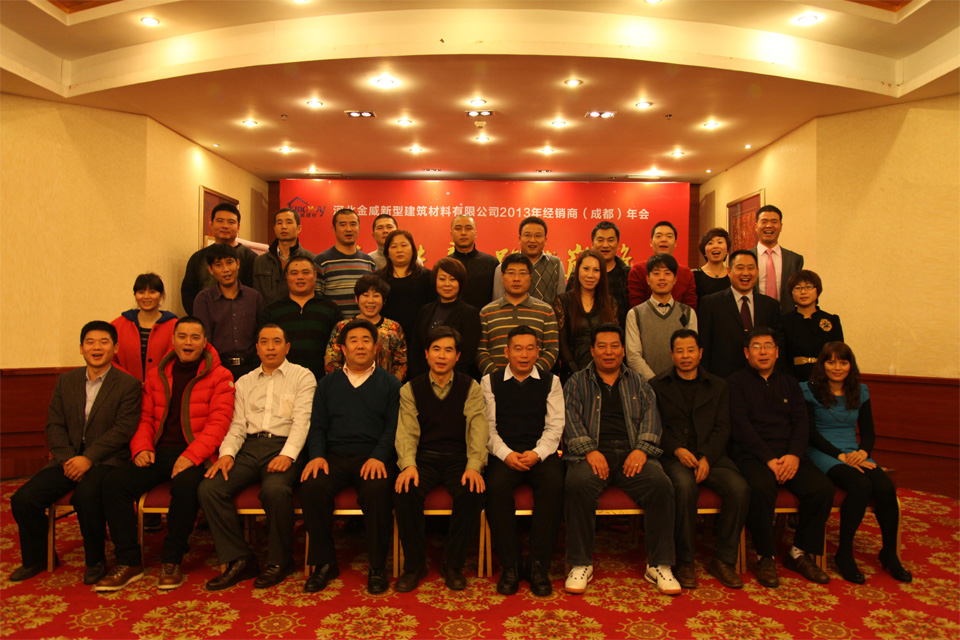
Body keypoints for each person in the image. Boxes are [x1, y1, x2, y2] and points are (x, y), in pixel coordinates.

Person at [96, 317, 235, 592]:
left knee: (185, 487)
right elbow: (144, 417)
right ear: (173, 341)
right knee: (114, 484)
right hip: (157, 451)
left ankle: (172, 559)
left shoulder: (221, 376)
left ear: (205, 342)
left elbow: (219, 423)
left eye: (194, 337)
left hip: (197, 453)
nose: (188, 343)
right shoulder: (156, 374)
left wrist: (191, 456)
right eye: (182, 336)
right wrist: (142, 447)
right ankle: (128, 560)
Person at [9, 322, 141, 584]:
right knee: (23, 499)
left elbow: (122, 430)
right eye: (90, 342)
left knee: (86, 497)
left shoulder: (129, 385)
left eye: (104, 342)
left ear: (115, 348)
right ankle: (38, 557)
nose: (96, 348)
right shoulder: (66, 381)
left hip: (106, 460)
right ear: (81, 348)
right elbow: (54, 424)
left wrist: (88, 458)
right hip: (67, 459)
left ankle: (95, 560)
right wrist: (69, 459)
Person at [562, 323, 680, 596]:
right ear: (592, 350)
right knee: (577, 485)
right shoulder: (576, 382)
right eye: (602, 346)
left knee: (661, 485)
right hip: (592, 453)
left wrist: (641, 450)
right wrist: (590, 450)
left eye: (614, 346)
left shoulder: (639, 382)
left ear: (623, 350)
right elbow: (569, 419)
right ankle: (580, 563)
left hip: (633, 453)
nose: (609, 352)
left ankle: (659, 564)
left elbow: (652, 419)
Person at [199, 325, 316, 591]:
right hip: (249, 447)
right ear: (257, 348)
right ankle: (240, 558)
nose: (270, 347)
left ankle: (280, 561)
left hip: (284, 445)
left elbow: (303, 422)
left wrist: (288, 455)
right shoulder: (244, 382)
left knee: (275, 490)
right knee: (210, 488)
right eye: (264, 342)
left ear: (287, 347)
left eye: (277, 342)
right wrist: (227, 455)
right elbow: (237, 426)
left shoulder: (303, 376)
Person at [300, 319, 401, 594]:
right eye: (353, 341)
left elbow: (394, 427)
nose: (360, 345)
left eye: (366, 340)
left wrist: (379, 457)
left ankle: (377, 567)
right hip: (333, 455)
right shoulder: (327, 384)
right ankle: (324, 563)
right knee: (312, 486)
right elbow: (317, 426)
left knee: (377, 490)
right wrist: (317, 455)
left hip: (373, 456)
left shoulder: (390, 383)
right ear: (343, 349)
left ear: (376, 347)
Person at [728, 327, 834, 588]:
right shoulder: (735, 383)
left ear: (777, 352)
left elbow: (801, 423)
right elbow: (741, 427)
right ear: (746, 353)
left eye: (768, 346)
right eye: (756, 346)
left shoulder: (790, 384)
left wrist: (794, 456)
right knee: (760, 488)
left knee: (822, 489)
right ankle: (765, 556)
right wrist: (768, 459)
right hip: (753, 455)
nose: (762, 352)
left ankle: (799, 552)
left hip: (789, 454)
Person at [802, 342, 911, 584]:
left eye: (843, 362)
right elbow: (810, 433)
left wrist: (862, 452)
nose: (837, 368)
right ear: (822, 365)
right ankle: (844, 553)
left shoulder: (860, 391)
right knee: (860, 485)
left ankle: (889, 553)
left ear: (850, 365)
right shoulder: (809, 390)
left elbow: (869, 432)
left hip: (854, 452)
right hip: (822, 452)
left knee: (885, 487)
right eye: (831, 362)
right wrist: (840, 456)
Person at [649, 329, 749, 590]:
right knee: (684, 487)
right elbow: (655, 426)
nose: (685, 356)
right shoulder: (657, 385)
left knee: (739, 488)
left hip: (711, 456)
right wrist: (677, 450)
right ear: (672, 354)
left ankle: (724, 560)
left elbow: (723, 427)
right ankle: (684, 560)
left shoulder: (718, 385)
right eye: (679, 351)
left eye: (690, 350)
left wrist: (706, 456)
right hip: (675, 456)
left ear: (700, 353)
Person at [394, 327, 488, 592]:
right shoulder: (411, 389)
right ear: (426, 354)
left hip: (459, 457)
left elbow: (478, 429)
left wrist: (474, 466)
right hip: (424, 457)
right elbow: (407, 432)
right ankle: (414, 565)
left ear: (457, 356)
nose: (442, 356)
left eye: (448, 350)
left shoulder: (470, 387)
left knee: (472, 491)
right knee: (405, 490)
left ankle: (453, 564)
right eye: (436, 349)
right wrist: (408, 465)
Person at [482, 326, 564, 596]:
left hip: (540, 452)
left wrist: (537, 453)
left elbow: (555, 427)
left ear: (538, 352)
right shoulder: (490, 381)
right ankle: (511, 566)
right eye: (518, 349)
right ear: (506, 352)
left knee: (554, 485)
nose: (524, 355)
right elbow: (488, 429)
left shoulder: (551, 382)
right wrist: (506, 454)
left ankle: (538, 564)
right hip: (504, 453)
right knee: (495, 488)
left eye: (530, 349)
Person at [698, 250, 781, 378]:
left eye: (750, 268)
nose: (746, 273)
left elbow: (778, 345)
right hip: (722, 378)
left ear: (757, 272)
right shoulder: (710, 303)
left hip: (761, 378)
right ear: (729, 271)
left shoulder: (771, 306)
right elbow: (704, 345)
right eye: (740, 268)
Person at [476, 253, 559, 376]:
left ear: (530, 277)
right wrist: (498, 377)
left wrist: (531, 376)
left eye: (522, 273)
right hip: (496, 383)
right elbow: (480, 351)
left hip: (535, 383)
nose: (516, 278)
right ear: (502, 277)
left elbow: (552, 350)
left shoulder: (546, 311)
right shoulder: (486, 312)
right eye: (511, 273)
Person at [193, 243, 266, 381]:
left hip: (252, 369)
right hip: (217, 369)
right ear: (210, 269)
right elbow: (204, 339)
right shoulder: (203, 300)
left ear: (238, 264)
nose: (225, 269)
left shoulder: (254, 297)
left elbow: (262, 334)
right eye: (218, 265)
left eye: (229, 262)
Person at [262, 256, 342, 381]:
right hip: (282, 380)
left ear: (315, 275)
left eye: (305, 272)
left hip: (322, 380)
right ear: (287, 276)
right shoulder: (272, 310)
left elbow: (338, 349)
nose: (300, 277)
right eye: (294, 273)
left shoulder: (330, 309)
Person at [625, 254, 698, 380]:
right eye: (656, 273)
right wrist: (657, 383)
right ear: (648, 279)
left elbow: (691, 353)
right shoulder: (635, 314)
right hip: (646, 385)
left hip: (680, 384)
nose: (662, 278)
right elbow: (633, 357)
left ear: (675, 279)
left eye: (667, 273)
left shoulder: (688, 313)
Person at [324, 274, 407, 381]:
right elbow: (331, 361)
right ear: (356, 298)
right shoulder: (342, 327)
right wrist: (347, 384)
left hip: (385, 387)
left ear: (384, 300)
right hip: (348, 387)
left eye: (376, 296)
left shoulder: (394, 328)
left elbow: (401, 363)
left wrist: (390, 385)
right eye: (365, 295)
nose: (370, 301)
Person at [410, 257, 481, 378]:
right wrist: (420, 379)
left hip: (455, 380)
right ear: (435, 281)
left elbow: (467, 354)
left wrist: (446, 378)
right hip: (423, 379)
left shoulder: (470, 313)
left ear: (460, 282)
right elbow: (415, 349)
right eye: (442, 279)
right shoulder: (425, 310)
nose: (447, 284)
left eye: (453, 279)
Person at [181, 203, 257, 315]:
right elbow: (188, 293)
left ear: (238, 227)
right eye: (220, 221)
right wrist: (199, 317)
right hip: (203, 318)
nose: (225, 226)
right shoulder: (198, 258)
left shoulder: (251, 258)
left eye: (231, 222)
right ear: (211, 224)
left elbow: (254, 294)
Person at [554, 249, 617, 380]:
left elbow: (614, 338)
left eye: (596, 270)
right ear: (577, 271)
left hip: (605, 373)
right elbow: (562, 343)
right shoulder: (563, 301)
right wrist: (578, 374)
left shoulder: (610, 302)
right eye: (586, 269)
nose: (590, 275)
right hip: (572, 374)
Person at [111, 272, 177, 383]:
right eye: (141, 292)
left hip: (162, 387)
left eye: (152, 292)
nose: (146, 296)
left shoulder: (175, 326)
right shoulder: (118, 325)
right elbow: (110, 359)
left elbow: (177, 360)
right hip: (125, 386)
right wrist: (129, 381)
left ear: (161, 295)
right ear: (135, 295)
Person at [781, 270, 844, 382]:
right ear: (791, 293)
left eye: (808, 287)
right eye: (797, 288)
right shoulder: (783, 321)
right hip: (793, 380)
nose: (803, 292)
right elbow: (781, 357)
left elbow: (839, 354)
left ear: (817, 290)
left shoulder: (832, 320)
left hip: (826, 379)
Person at [313, 208, 376, 318]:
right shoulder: (321, 261)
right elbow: (317, 299)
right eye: (343, 225)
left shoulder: (368, 262)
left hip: (363, 325)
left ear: (359, 227)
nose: (349, 229)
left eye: (353, 224)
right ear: (334, 229)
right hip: (333, 325)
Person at [379, 229, 436, 345]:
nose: (399, 250)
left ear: (413, 250)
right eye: (394, 246)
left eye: (404, 245)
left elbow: (433, 309)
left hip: (420, 337)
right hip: (387, 338)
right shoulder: (378, 279)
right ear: (387, 253)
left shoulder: (427, 276)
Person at [492, 216, 565, 305]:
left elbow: (561, 302)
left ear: (545, 240)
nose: (532, 240)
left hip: (547, 314)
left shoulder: (556, 264)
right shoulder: (504, 267)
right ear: (519, 239)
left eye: (538, 236)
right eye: (527, 235)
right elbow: (498, 303)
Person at [627, 220, 697, 309]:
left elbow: (690, 307)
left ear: (675, 243)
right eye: (658, 236)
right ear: (651, 242)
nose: (663, 240)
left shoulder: (686, 273)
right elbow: (636, 306)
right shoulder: (638, 270)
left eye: (669, 236)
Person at [253, 207, 316, 305]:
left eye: (289, 222)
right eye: (279, 223)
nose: (284, 226)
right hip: (268, 313)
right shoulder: (260, 261)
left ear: (299, 228)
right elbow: (256, 297)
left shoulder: (311, 260)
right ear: (274, 228)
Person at [749, 205, 805, 315]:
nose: (769, 225)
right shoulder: (745, 257)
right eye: (764, 221)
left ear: (781, 226)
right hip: (753, 317)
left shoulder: (795, 259)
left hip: (786, 319)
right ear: (756, 226)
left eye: (774, 221)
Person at [449, 214, 500, 311]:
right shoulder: (445, 265)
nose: (463, 233)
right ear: (451, 234)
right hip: (452, 317)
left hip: (484, 317)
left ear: (476, 233)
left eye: (468, 228)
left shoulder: (491, 263)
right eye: (458, 229)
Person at [586, 221, 631, 327]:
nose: (605, 245)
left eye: (610, 240)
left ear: (618, 244)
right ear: (592, 244)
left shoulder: (627, 274)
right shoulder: (581, 274)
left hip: (620, 334)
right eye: (600, 240)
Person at [693, 228, 731, 300]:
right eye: (710, 243)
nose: (715, 246)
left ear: (727, 249)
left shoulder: (733, 276)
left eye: (720, 242)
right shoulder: (694, 276)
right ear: (704, 250)